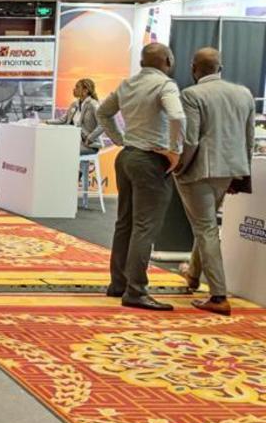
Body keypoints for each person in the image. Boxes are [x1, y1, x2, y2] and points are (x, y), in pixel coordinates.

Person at [97, 42, 186, 311]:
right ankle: (136, 290)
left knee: (124, 222)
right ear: (168, 61)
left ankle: (118, 283)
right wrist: (175, 150)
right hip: (150, 160)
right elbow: (177, 116)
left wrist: (120, 139)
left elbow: (103, 112)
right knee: (145, 226)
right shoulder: (165, 85)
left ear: (141, 62)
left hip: (127, 157)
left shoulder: (127, 84)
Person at [173, 47, 256, 315]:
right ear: (220, 68)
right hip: (229, 170)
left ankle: (218, 296)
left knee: (205, 228)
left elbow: (191, 140)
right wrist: (241, 174)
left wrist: (178, 168)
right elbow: (249, 138)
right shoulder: (244, 93)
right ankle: (193, 275)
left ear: (193, 68)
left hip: (200, 172)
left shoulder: (192, 95)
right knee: (206, 225)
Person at [48, 78, 104, 153]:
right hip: (73, 140)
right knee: (54, 147)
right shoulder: (74, 104)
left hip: (89, 145)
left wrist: (90, 138)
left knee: (63, 150)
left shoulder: (94, 105)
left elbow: (103, 125)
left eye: (77, 87)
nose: (74, 89)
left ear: (85, 90)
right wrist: (46, 122)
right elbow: (63, 120)